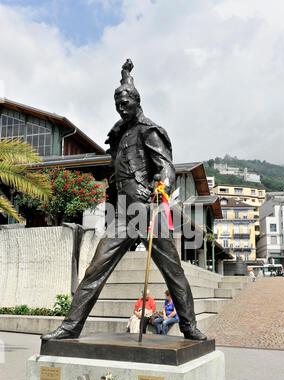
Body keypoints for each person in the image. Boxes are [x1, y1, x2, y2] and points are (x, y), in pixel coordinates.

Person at [41, 59, 207, 342]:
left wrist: (161, 185)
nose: (120, 106)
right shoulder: (119, 132)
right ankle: (71, 327)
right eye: (117, 102)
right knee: (95, 269)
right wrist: (125, 74)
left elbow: (166, 166)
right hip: (122, 214)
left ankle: (189, 326)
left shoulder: (148, 130)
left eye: (125, 101)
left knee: (173, 273)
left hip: (147, 212)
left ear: (137, 101)